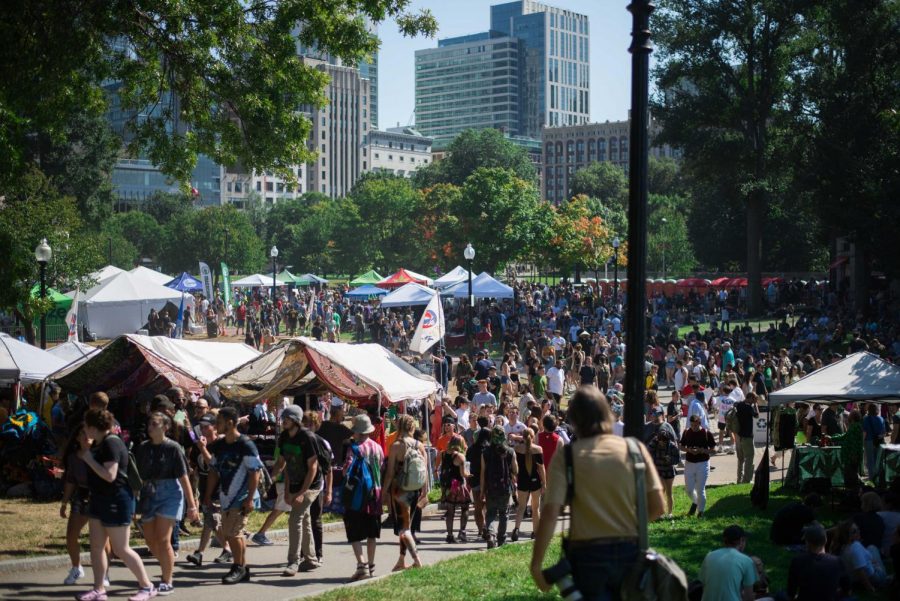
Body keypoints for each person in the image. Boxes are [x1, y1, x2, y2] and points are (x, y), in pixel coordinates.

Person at [531, 386, 665, 599]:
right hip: (630, 552)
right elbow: (658, 506)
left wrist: (536, 565)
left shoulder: (567, 457)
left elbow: (550, 513)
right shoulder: (634, 449)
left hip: (587, 557)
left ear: (574, 420)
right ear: (607, 414)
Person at [79, 409, 156, 601]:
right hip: (99, 499)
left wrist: (88, 458)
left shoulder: (112, 443)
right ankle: (99, 589)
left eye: (85, 426)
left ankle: (147, 586)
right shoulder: (98, 443)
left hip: (117, 500)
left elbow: (110, 475)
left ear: (92, 427)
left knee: (121, 548)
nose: (83, 429)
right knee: (96, 547)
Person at [134, 411, 198, 595]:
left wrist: (192, 505)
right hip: (148, 493)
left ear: (166, 427)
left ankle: (167, 580)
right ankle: (166, 564)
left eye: (154, 424)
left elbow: (184, 477)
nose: (150, 427)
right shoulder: (143, 447)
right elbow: (137, 476)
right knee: (150, 540)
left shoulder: (173, 448)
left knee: (163, 539)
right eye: (149, 424)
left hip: (170, 493)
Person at [203, 406, 263, 585]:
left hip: (242, 495)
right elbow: (213, 471)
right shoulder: (219, 445)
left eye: (219, 422)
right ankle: (242, 568)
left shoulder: (245, 444)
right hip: (226, 495)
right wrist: (207, 495)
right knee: (232, 534)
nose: (216, 425)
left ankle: (238, 567)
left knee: (233, 533)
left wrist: (250, 498)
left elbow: (255, 473)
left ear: (230, 422)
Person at [277, 405, 322, 576]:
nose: (283, 421)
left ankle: (293, 561)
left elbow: (313, 468)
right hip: (295, 482)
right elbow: (284, 464)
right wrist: (287, 490)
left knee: (294, 519)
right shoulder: (284, 437)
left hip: (312, 485)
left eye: (286, 418)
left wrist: (302, 493)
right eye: (283, 418)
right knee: (305, 520)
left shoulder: (307, 437)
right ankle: (310, 559)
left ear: (295, 419)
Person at [382, 414, 427, 571]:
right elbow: (424, 470)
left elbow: (389, 473)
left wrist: (383, 491)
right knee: (407, 526)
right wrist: (425, 492)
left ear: (399, 428)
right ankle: (401, 560)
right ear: (412, 427)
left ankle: (417, 560)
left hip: (399, 490)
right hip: (415, 489)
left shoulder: (396, 446)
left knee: (403, 528)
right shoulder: (419, 445)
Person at [342, 414, 384, 582]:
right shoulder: (378, 447)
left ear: (358, 432)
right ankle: (371, 566)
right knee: (371, 532)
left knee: (354, 530)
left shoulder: (354, 448)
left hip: (358, 494)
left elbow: (346, 470)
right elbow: (381, 468)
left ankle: (362, 566)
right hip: (376, 493)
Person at [186, 413, 231, 567]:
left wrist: (203, 448)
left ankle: (200, 552)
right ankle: (226, 549)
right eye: (201, 428)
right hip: (204, 488)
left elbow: (213, 465)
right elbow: (194, 465)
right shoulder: (199, 444)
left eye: (207, 427)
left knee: (211, 520)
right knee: (211, 521)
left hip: (219, 489)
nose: (203, 430)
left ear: (215, 427)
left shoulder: (221, 444)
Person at [60, 423, 100, 586]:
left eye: (88, 433)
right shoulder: (73, 457)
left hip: (98, 497)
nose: (85, 437)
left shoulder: (100, 454)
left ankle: (105, 573)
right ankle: (76, 567)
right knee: (71, 536)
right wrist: (64, 502)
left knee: (101, 540)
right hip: (81, 496)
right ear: (77, 438)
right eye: (82, 434)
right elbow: (70, 480)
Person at [785, 522, 849, 601]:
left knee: (780, 594)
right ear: (825, 541)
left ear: (807, 543)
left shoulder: (797, 561)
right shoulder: (838, 561)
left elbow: (791, 593)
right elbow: (847, 588)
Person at [481, 425, 518, 549]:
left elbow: (483, 473)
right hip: (505, 487)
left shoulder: (485, 452)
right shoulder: (510, 451)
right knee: (503, 513)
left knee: (490, 513)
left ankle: (491, 535)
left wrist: (482, 490)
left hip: (490, 487)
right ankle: (501, 539)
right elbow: (516, 470)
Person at [698, 525, 758, 601]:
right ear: (741, 541)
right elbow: (749, 597)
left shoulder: (709, 556)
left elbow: (704, 585)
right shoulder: (746, 560)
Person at [830, 520, 887, 593]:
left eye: (858, 529)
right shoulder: (855, 547)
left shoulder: (841, 547)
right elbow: (860, 571)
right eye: (854, 531)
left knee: (870, 548)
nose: (858, 532)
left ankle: (874, 562)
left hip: (856, 581)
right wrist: (870, 588)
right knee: (872, 548)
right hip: (875, 579)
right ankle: (885, 579)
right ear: (847, 536)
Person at [680, 413, 717, 517]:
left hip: (703, 463)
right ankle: (696, 502)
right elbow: (681, 446)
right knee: (689, 489)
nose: (693, 427)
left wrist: (702, 450)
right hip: (689, 463)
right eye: (692, 425)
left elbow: (714, 450)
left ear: (700, 423)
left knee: (700, 489)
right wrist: (689, 450)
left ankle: (701, 511)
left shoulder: (706, 433)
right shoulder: (687, 432)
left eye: (695, 425)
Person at [439, 434, 471, 543]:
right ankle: (462, 531)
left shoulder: (443, 454)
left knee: (450, 511)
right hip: (457, 485)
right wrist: (469, 475)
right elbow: (463, 473)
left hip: (447, 485)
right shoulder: (460, 456)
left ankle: (449, 535)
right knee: (465, 507)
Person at [646, 424, 680, 518]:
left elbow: (677, 459)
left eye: (664, 442)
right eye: (661, 441)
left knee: (669, 492)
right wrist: (656, 460)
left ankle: (670, 513)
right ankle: (660, 513)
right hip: (659, 470)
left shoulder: (672, 446)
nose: (662, 444)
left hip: (669, 470)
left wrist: (670, 460)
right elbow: (648, 452)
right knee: (661, 491)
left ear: (667, 440)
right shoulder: (654, 442)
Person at [466, 425, 491, 539]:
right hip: (489, 480)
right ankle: (488, 527)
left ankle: (481, 529)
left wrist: (467, 477)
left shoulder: (471, 449)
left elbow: (467, 465)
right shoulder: (489, 449)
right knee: (488, 506)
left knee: (477, 506)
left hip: (475, 479)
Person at [735, 392, 760, 484]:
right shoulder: (749, 408)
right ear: (750, 398)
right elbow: (757, 415)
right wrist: (755, 405)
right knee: (749, 457)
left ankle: (739, 479)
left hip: (738, 436)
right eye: (754, 399)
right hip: (747, 437)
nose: (754, 401)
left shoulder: (739, 405)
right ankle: (746, 480)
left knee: (740, 459)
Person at [862, 403, 885, 479]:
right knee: (878, 461)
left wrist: (862, 443)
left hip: (869, 441)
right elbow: (883, 433)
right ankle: (879, 478)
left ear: (869, 410)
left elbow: (864, 433)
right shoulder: (881, 419)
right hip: (879, 442)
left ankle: (872, 479)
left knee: (870, 461)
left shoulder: (866, 419)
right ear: (877, 410)